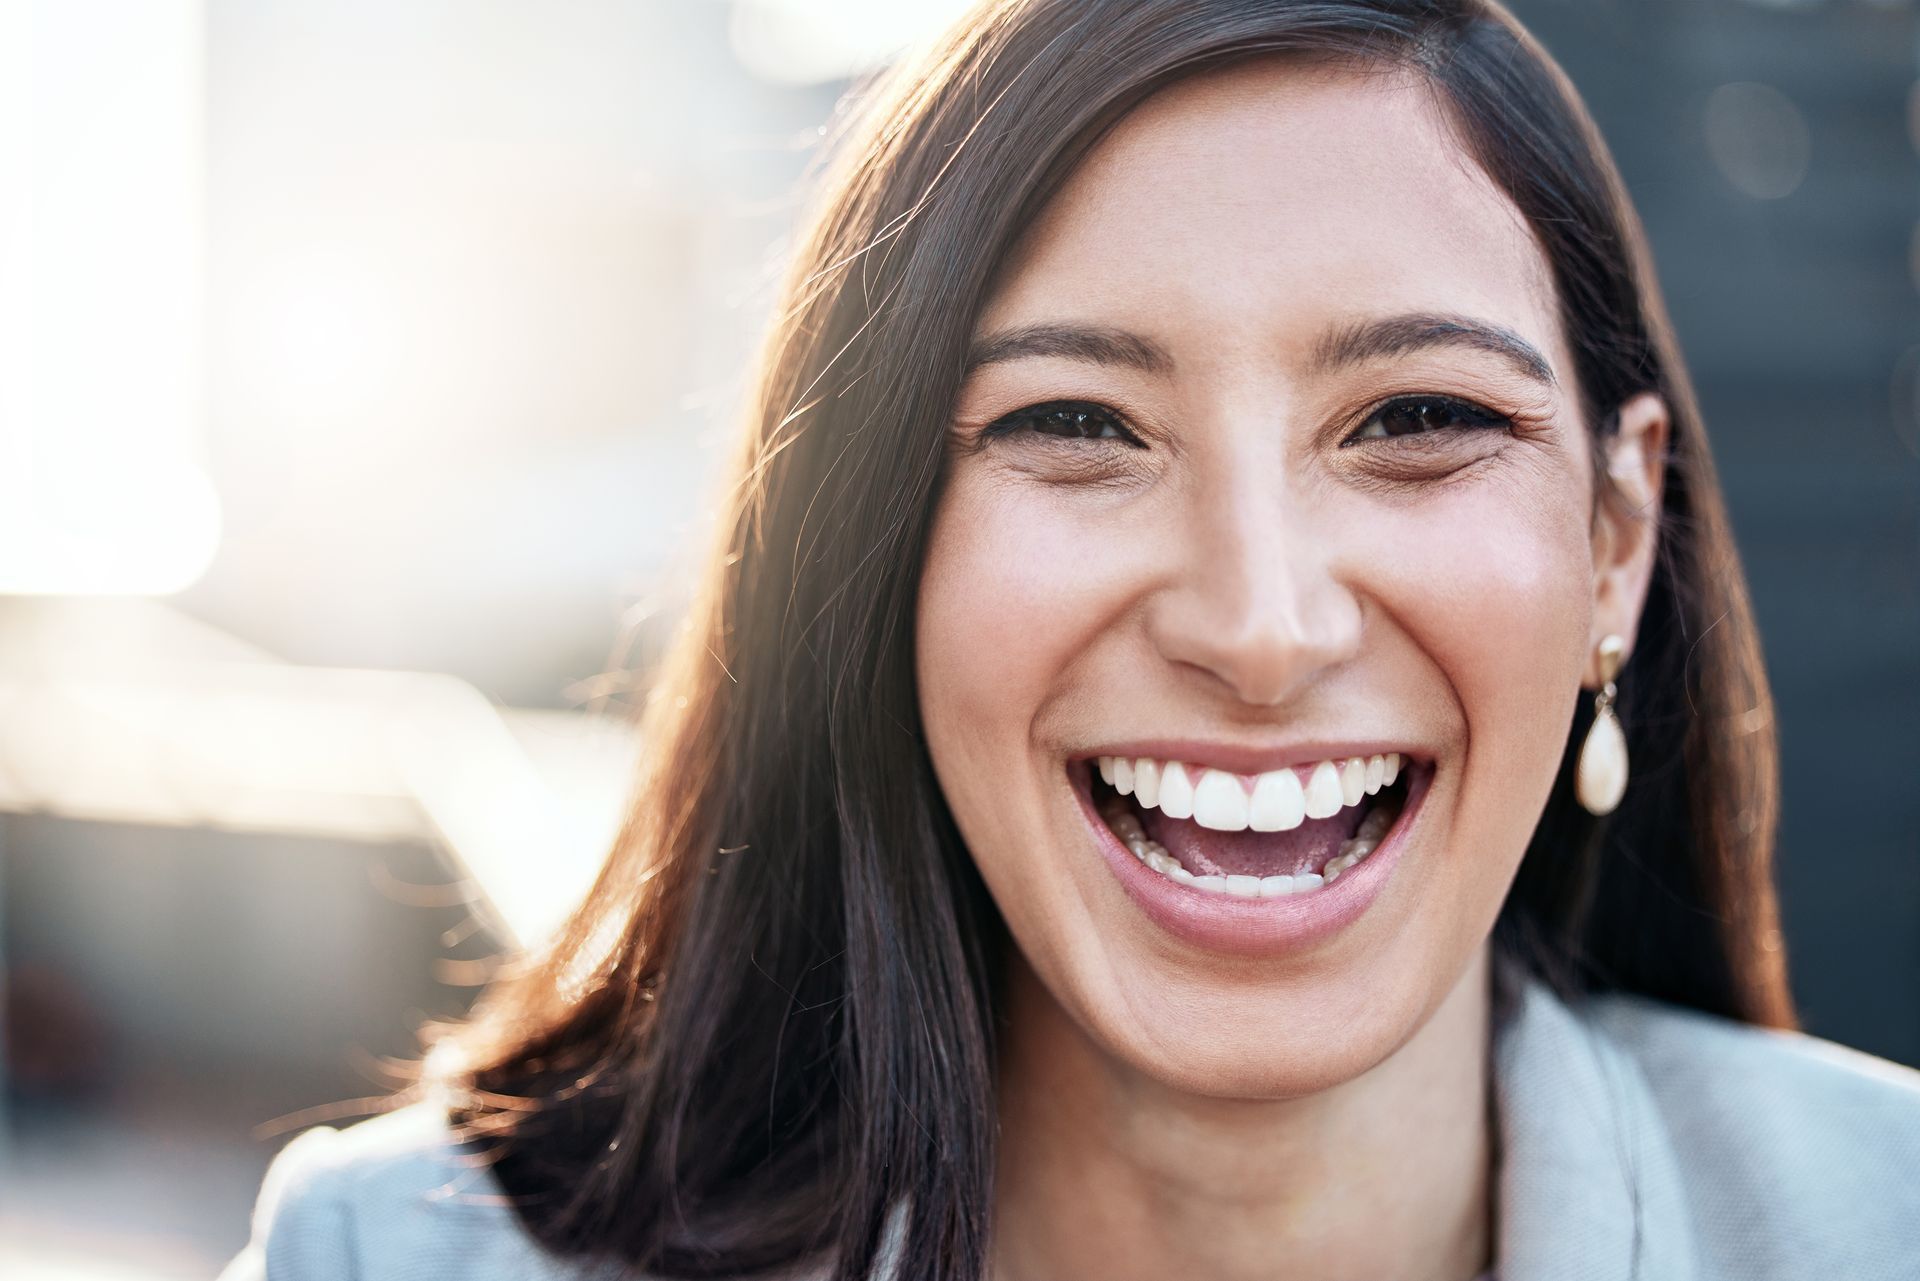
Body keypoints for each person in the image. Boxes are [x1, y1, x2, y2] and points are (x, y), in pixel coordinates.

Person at [223, 2, 1920, 1279]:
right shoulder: (404, 1257)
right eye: (1079, 426)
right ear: (872, 539)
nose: (1260, 626)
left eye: (1413, 413)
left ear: (1616, 542)